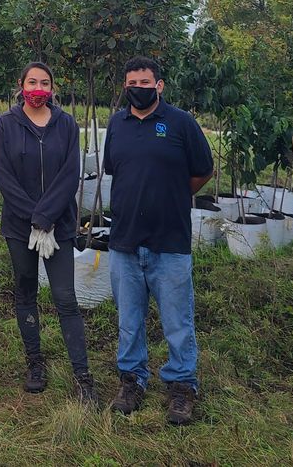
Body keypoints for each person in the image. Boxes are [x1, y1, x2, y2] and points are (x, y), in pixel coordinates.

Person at [104, 55, 213, 424]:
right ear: (124, 86)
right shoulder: (116, 125)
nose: (138, 89)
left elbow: (202, 171)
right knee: (129, 321)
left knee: (178, 322)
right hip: (125, 242)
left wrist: (172, 195)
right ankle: (132, 380)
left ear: (159, 85)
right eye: (132, 83)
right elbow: (115, 172)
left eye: (145, 83)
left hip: (170, 243)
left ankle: (182, 387)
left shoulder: (181, 123)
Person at [0, 62, 97, 405]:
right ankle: (35, 363)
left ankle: (83, 376)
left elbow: (70, 174)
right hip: (20, 226)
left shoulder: (66, 124)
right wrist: (33, 217)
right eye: (32, 81)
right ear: (20, 85)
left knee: (65, 298)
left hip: (59, 225)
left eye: (45, 82)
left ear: (53, 88)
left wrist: (47, 216)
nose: (38, 87)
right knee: (25, 293)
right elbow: (3, 175)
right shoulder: (5, 125)